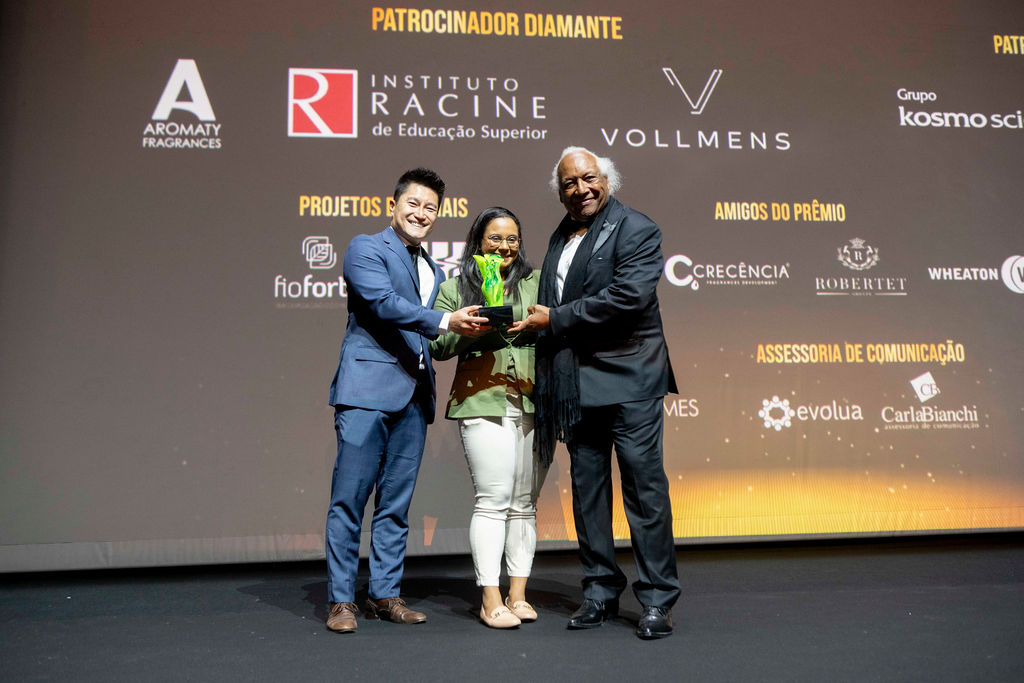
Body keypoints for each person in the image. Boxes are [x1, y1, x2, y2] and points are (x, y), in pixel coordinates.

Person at [507, 146, 681, 639]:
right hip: (576, 384)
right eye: (569, 183)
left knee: (644, 491)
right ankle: (600, 591)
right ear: (559, 192)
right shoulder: (561, 234)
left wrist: (555, 319)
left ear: (607, 180)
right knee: (587, 493)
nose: (580, 189)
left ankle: (656, 598)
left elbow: (629, 298)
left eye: (588, 178)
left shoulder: (636, 228)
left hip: (629, 379)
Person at [324, 167, 487, 634]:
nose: (421, 213)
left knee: (395, 506)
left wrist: (475, 331)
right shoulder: (365, 248)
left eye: (430, 208)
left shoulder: (435, 269)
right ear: (392, 205)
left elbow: (431, 336)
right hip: (366, 393)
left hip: (414, 397)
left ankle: (384, 594)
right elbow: (381, 303)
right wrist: (446, 320)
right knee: (349, 501)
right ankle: (340, 601)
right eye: (413, 203)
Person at [429, 207, 547, 629]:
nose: (504, 246)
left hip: (534, 402)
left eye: (512, 239)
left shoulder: (538, 282)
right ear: (478, 240)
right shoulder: (454, 288)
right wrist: (468, 329)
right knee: (493, 500)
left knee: (524, 504)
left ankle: (518, 594)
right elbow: (437, 347)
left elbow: (561, 328)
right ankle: (490, 597)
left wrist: (542, 325)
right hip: (482, 400)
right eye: (495, 238)